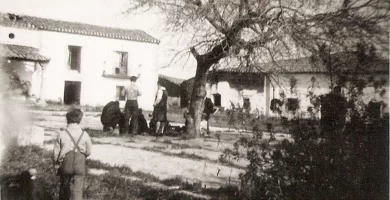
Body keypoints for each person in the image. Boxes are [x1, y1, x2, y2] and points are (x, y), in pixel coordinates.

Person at [53, 108, 92, 200]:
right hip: (79, 163)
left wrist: (56, 165)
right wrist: (84, 153)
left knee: (64, 187)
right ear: (80, 120)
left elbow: (56, 153)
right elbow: (89, 151)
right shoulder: (84, 134)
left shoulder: (62, 134)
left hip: (66, 163)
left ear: (67, 120)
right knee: (77, 190)